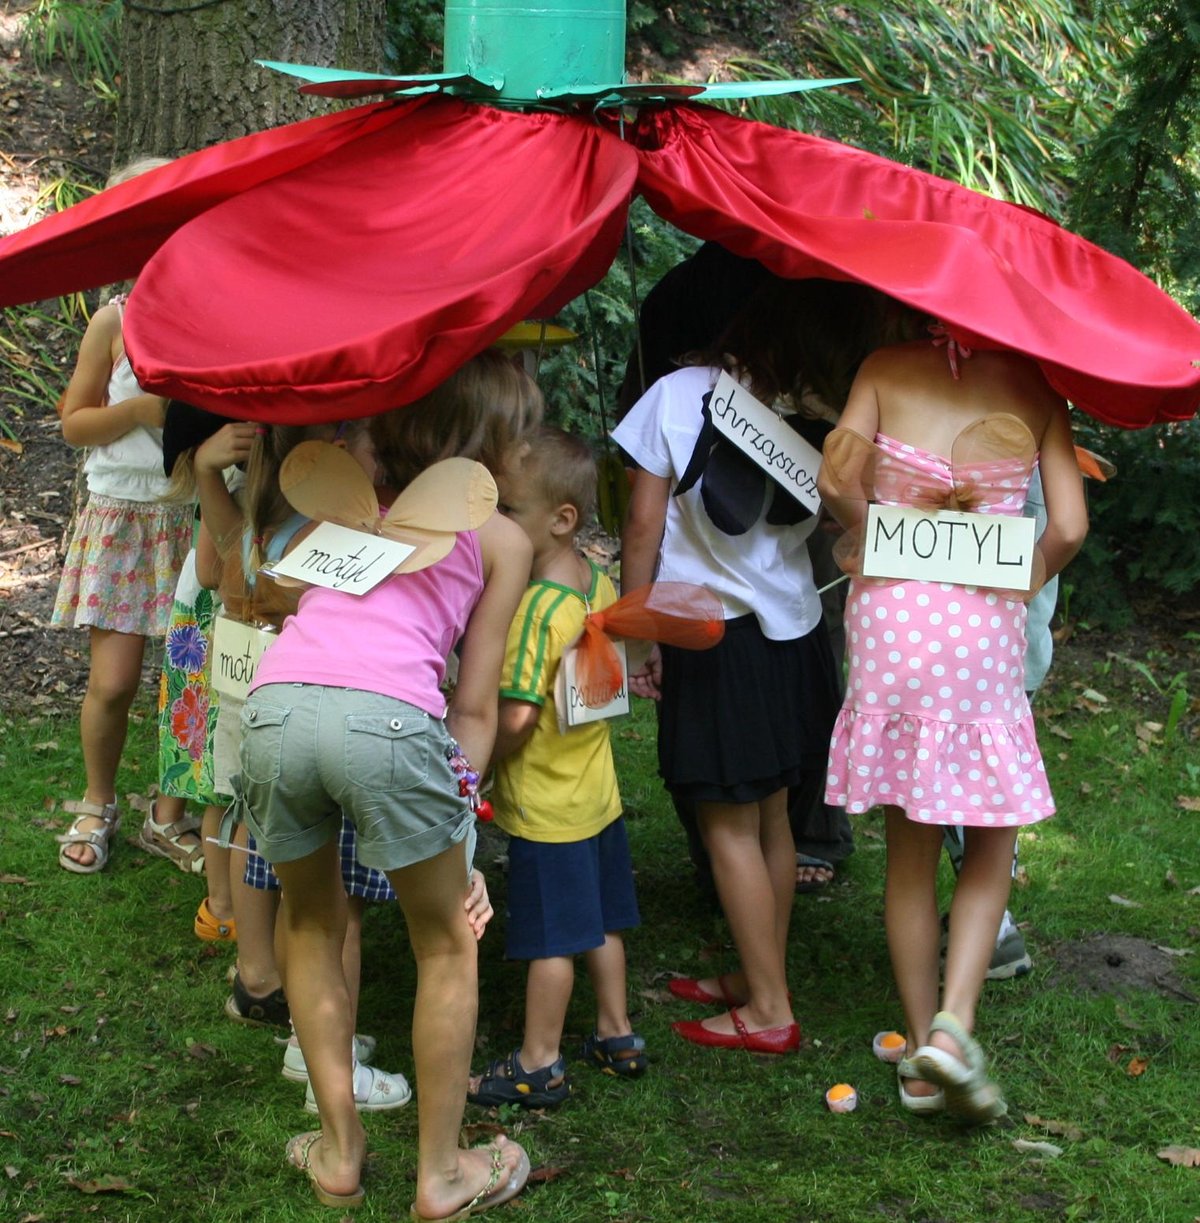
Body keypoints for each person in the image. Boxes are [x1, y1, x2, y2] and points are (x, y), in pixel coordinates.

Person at [238, 351, 538, 1218]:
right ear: (492, 447)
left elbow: (281, 596)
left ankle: (338, 1150)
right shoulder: (504, 540)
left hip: (278, 708)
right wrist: (464, 828)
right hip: (394, 722)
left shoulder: (348, 493)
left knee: (310, 923)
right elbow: (474, 706)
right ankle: (442, 1172)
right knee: (446, 940)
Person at [818, 335, 1088, 1121]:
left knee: (910, 850)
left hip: (893, 616)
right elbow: (1067, 526)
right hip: (979, 621)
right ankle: (954, 1024)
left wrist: (874, 533)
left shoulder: (882, 364)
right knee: (991, 836)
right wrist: (1018, 573)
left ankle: (922, 1056)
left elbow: (837, 474)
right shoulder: (1037, 386)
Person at [613, 279, 857, 1054]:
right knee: (773, 818)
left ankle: (768, 1008)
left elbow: (642, 521)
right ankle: (760, 976)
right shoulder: (811, 412)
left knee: (727, 827)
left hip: (712, 636)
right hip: (793, 638)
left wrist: (635, 629)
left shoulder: (676, 395)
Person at [467, 427, 644, 1110]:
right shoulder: (593, 582)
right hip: (596, 794)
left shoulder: (534, 610)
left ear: (562, 519)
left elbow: (514, 717)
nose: (493, 523)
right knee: (599, 920)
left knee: (549, 938)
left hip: (548, 807)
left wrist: (477, 767)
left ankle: (539, 1060)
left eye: (506, 509)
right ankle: (616, 1029)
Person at [51, 158, 193, 873]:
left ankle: (169, 811)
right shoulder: (114, 319)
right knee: (112, 679)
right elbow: (74, 421)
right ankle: (97, 796)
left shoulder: (215, 313)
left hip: (193, 517)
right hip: (123, 519)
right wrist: (136, 411)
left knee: (188, 676)